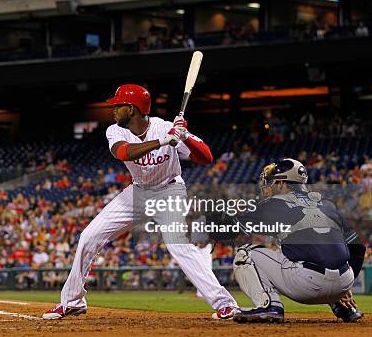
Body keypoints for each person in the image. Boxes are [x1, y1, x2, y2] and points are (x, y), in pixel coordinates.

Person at [43, 84, 238, 320]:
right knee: (89, 236)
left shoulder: (166, 127)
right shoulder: (115, 131)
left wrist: (185, 136)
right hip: (137, 192)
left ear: (132, 109)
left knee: (178, 244)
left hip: (169, 190)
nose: (114, 110)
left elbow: (206, 158)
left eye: (118, 106)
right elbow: (123, 153)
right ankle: (73, 301)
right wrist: (163, 142)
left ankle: (225, 303)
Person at [231, 159, 365, 323]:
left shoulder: (273, 204)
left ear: (281, 183)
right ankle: (344, 307)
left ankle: (269, 306)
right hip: (344, 281)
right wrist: (345, 288)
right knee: (315, 250)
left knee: (245, 254)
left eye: (272, 182)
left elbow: (233, 229)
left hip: (306, 285)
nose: (269, 186)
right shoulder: (327, 204)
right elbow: (358, 248)